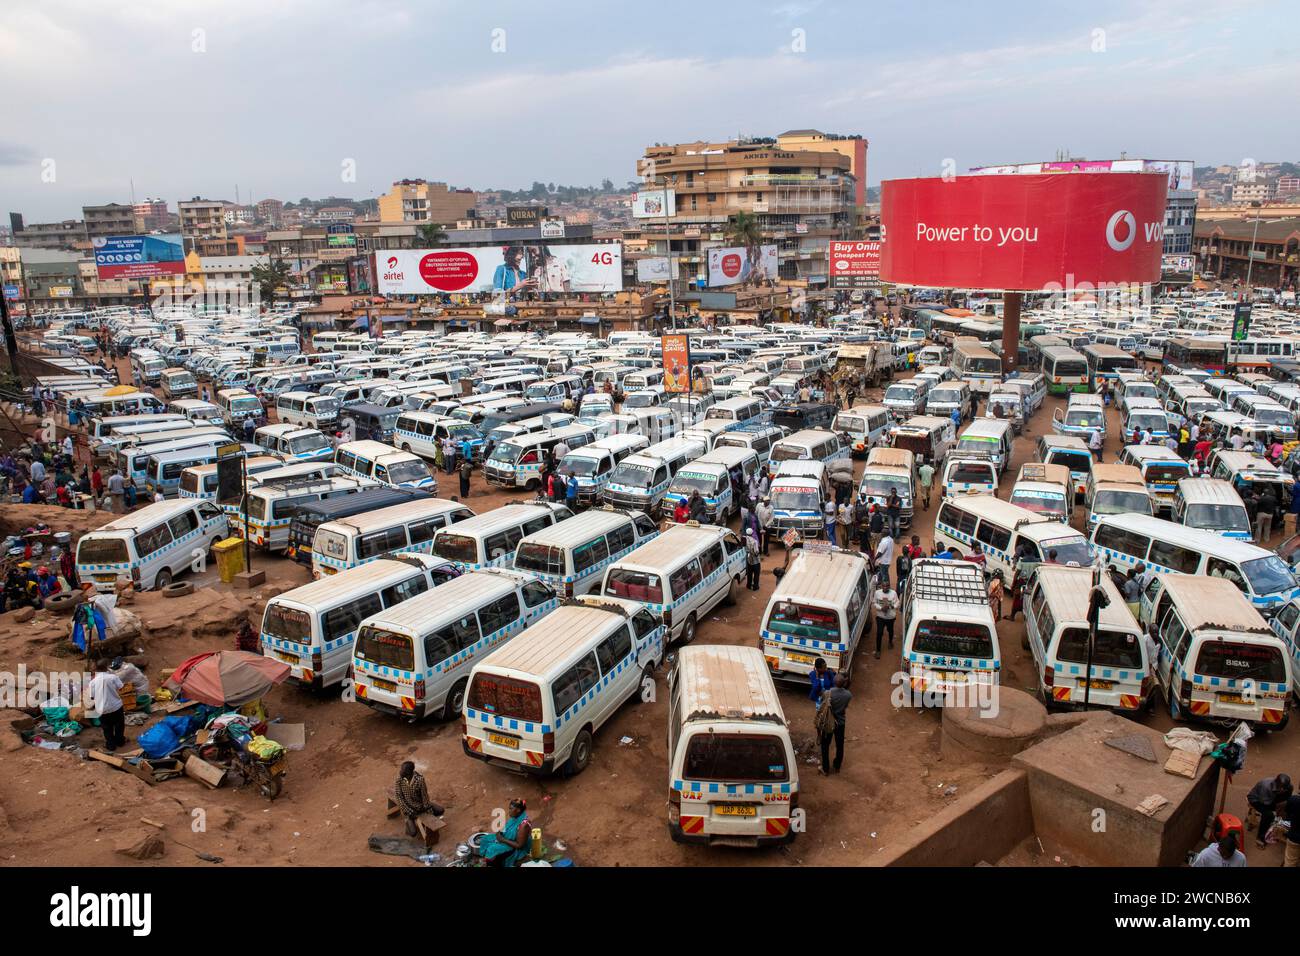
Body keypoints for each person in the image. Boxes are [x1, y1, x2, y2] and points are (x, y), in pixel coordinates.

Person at [394, 761, 446, 839]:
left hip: (420, 805)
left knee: (441, 810)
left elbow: (424, 796)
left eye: (402, 770)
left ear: (408, 772)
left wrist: (428, 812)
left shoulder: (420, 780)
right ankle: (409, 819)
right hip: (409, 808)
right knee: (413, 833)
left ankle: (426, 810)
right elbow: (399, 798)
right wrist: (409, 811)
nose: (400, 771)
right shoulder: (399, 779)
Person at [477, 797, 532, 866]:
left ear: (518, 810)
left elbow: (519, 845)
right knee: (485, 839)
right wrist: (500, 832)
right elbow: (508, 827)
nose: (509, 811)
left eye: (511, 809)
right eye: (509, 808)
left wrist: (502, 839)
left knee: (492, 849)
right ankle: (487, 859)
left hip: (515, 848)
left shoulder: (523, 826)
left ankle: (491, 863)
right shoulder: (516, 816)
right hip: (506, 838)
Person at [815, 674, 851, 776]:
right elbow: (845, 706)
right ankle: (837, 766)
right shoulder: (848, 695)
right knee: (840, 745)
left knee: (825, 745)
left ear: (834, 682)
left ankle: (825, 769)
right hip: (840, 723)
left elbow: (822, 705)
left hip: (828, 722)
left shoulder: (828, 693)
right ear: (843, 683)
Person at [87, 658, 126, 752]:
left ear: (96, 669)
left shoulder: (92, 682)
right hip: (116, 706)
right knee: (119, 725)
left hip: (102, 709)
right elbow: (121, 687)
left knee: (107, 728)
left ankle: (111, 745)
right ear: (107, 667)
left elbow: (92, 697)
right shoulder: (113, 677)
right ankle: (120, 741)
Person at [1245, 773, 1293, 849]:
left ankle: (1284, 827)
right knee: (1268, 815)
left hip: (1272, 799)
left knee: (1290, 807)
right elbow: (1266, 804)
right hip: (1257, 800)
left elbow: (1287, 797)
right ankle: (1260, 837)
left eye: (1284, 788)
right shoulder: (1266, 787)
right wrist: (1277, 810)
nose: (1284, 790)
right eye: (1282, 788)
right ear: (1277, 784)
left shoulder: (1288, 787)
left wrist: (1284, 806)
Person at [872, 579, 898, 658]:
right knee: (879, 633)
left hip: (890, 617)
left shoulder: (893, 593)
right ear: (881, 586)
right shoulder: (877, 593)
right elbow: (874, 603)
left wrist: (892, 606)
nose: (885, 587)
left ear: (889, 586)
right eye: (884, 586)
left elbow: (897, 602)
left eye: (887, 586)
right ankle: (878, 650)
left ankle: (890, 641)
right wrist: (880, 608)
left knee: (890, 631)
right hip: (881, 617)